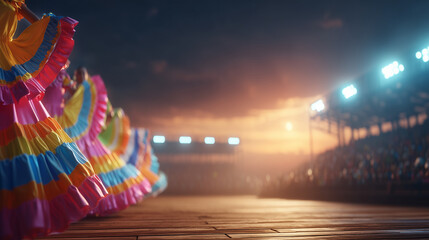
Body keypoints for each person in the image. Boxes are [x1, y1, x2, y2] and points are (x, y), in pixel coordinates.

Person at [0, 1, 107, 239]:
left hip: (5, 63)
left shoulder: (13, 3)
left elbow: (39, 24)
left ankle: (24, 212)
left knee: (18, 132)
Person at [46, 66, 151, 216]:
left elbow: (76, 93)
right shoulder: (58, 75)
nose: (77, 77)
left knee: (76, 156)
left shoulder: (61, 76)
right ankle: (73, 201)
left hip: (60, 116)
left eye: (79, 75)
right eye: (77, 75)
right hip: (53, 116)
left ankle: (86, 200)